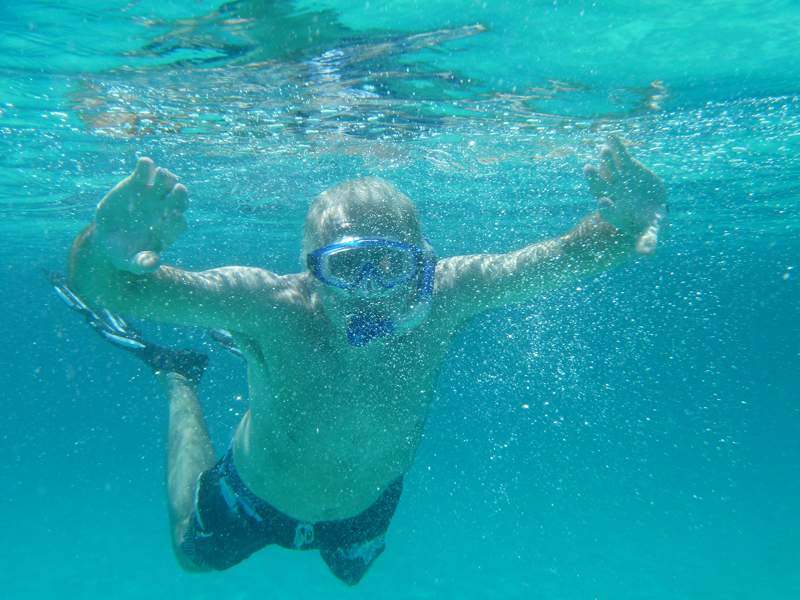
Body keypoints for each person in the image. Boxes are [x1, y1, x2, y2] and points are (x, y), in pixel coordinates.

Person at [67, 135, 666, 585]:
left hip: (365, 507)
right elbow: (108, 288)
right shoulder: (270, 307)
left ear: (422, 266)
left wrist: (620, 226)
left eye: (391, 266)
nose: (370, 291)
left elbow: (562, 258)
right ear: (310, 270)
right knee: (191, 556)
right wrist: (103, 249)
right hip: (255, 496)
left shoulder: (446, 297)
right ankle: (179, 378)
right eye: (347, 267)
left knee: (350, 579)